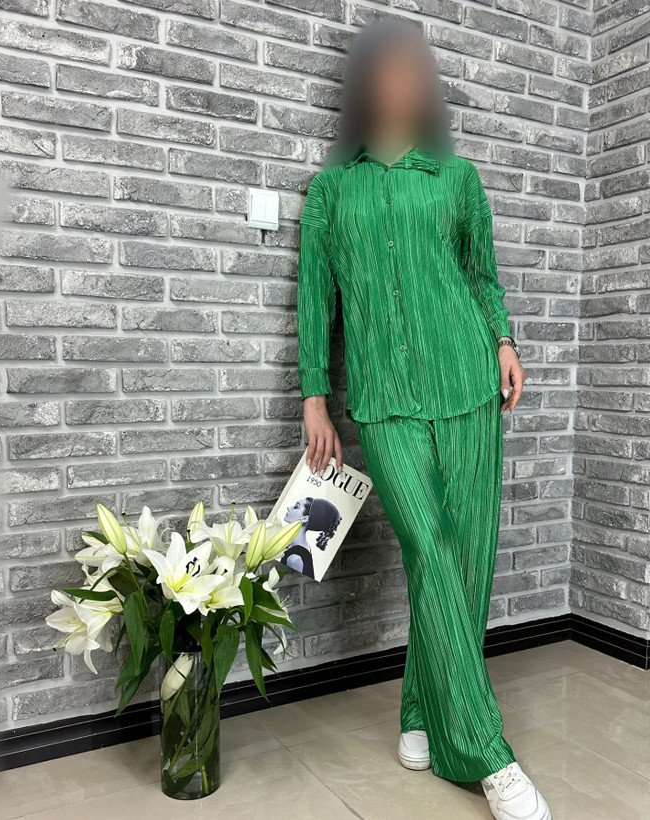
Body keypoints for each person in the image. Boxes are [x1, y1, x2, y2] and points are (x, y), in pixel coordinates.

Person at [296, 19, 552, 820]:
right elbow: (316, 299)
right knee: (432, 549)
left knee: (463, 564)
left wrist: (504, 339)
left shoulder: (457, 178)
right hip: (384, 401)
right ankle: (487, 754)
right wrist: (314, 395)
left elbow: (482, 275)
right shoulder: (332, 191)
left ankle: (418, 711)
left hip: (471, 384)